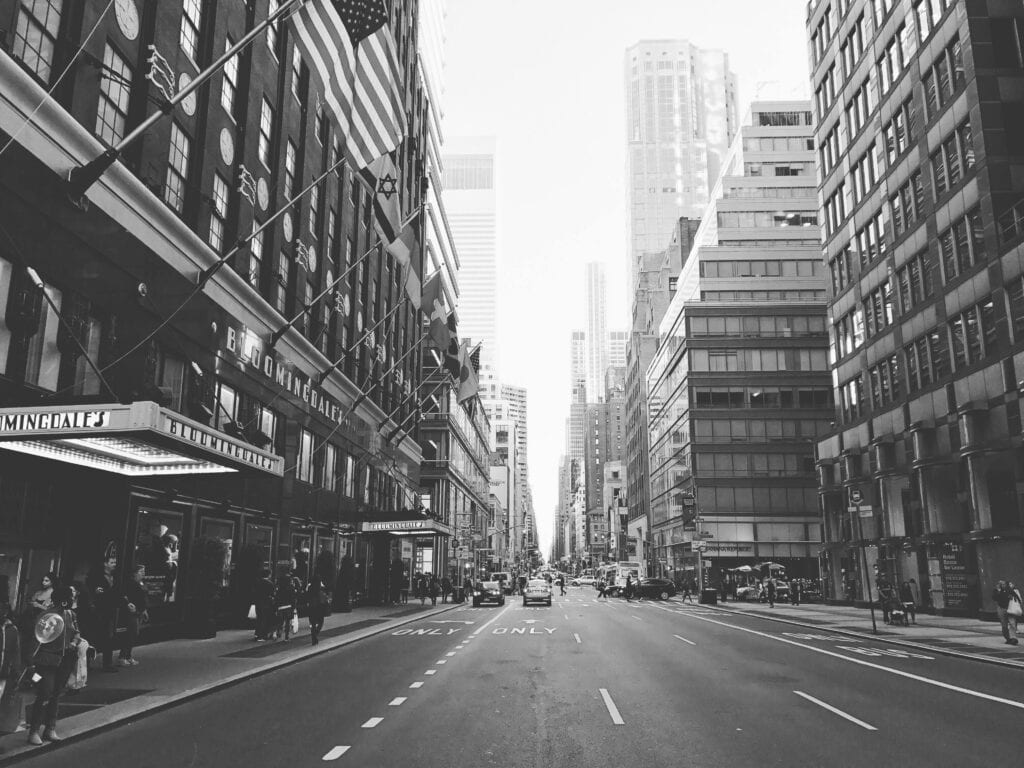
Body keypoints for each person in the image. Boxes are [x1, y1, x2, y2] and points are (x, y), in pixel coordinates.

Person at [26, 586, 80, 745]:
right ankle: (34, 730)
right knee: (45, 692)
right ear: (63, 600)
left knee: (57, 693)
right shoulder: (47, 615)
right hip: (47, 660)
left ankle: (50, 728)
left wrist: (74, 642)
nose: (72, 599)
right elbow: (37, 638)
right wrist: (31, 662)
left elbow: (77, 633)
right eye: (70, 597)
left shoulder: (71, 615)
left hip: (66, 659)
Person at [85, 556, 124, 672]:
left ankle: (107, 664)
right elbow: (89, 589)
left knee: (109, 637)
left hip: (110, 609)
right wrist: (95, 592)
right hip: (98, 610)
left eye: (115, 562)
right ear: (105, 564)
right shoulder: (96, 576)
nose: (114, 564)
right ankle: (87, 663)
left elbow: (118, 591)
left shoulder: (116, 577)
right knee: (93, 636)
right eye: (112, 562)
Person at [117, 566, 148, 666]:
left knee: (134, 634)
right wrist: (129, 604)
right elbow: (124, 596)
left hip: (139, 612)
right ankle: (122, 657)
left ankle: (128, 656)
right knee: (130, 634)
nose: (143, 573)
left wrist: (144, 610)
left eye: (144, 571)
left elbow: (143, 598)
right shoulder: (130, 583)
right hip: (131, 612)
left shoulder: (141, 583)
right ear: (134, 573)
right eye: (141, 571)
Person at [993, 580, 1022, 645]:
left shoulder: (1009, 590)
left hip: (1010, 608)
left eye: (1004, 584)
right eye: (1002, 584)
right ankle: (1008, 639)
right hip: (1001, 609)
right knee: (1004, 626)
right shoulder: (996, 590)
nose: (1003, 586)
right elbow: (994, 598)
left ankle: (1013, 638)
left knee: (1012, 623)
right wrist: (998, 591)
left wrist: (1017, 601)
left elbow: (1017, 597)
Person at [274, 571, 299, 640]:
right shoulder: (291, 587)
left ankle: (278, 632)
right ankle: (286, 636)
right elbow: (293, 598)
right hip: (288, 607)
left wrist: (276, 607)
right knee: (288, 622)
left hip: (280, 607)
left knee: (280, 621)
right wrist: (294, 607)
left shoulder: (279, 588)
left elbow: (277, 598)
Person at [253, 568, 276, 641]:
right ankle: (262, 636)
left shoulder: (257, 582)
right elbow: (273, 594)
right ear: (269, 575)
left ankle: (257, 634)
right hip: (266, 603)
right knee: (265, 619)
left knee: (259, 618)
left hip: (258, 603)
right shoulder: (270, 583)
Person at [305, 578, 328, 646]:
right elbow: (323, 599)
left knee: (313, 624)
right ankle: (315, 634)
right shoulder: (320, 589)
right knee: (320, 622)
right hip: (319, 608)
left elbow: (306, 597)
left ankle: (313, 637)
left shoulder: (310, 589)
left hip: (311, 608)